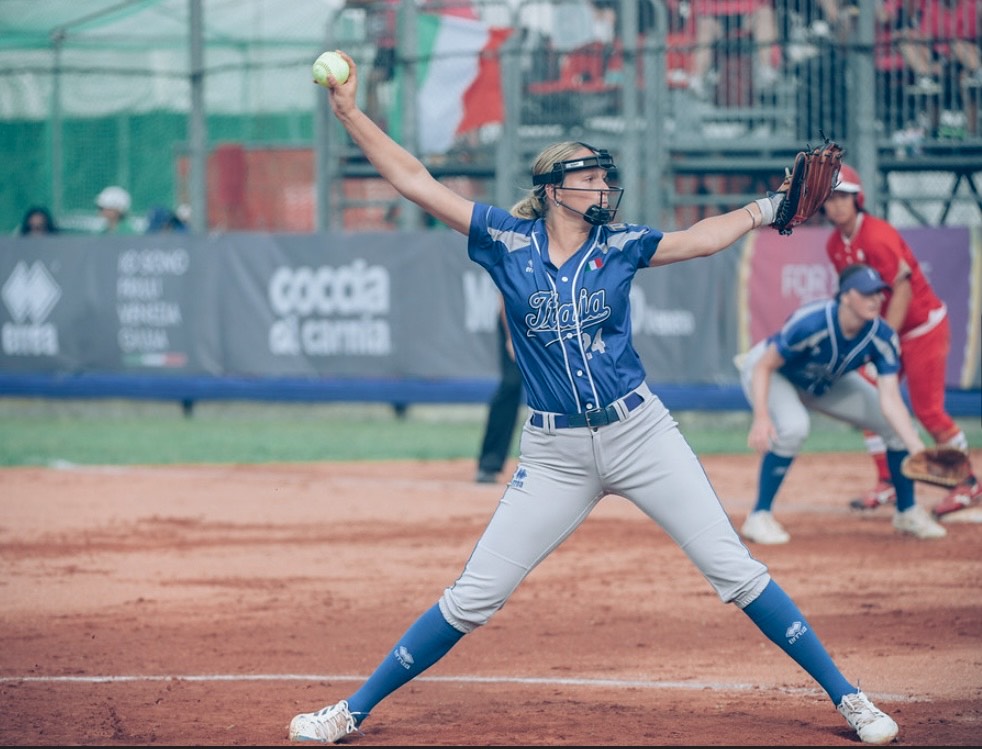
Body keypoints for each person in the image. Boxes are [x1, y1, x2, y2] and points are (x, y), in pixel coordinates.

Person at [288, 51, 900, 746]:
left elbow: (699, 239)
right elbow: (414, 180)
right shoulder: (504, 238)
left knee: (734, 569)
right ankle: (351, 710)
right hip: (555, 453)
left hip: (641, 435)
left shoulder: (622, 244)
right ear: (552, 188)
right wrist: (349, 113)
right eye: (589, 175)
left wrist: (766, 207)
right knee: (473, 596)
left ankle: (851, 698)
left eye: (606, 175)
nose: (604, 185)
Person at [736, 263, 947, 545]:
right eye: (867, 293)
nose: (876, 300)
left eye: (879, 294)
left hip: (824, 380)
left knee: (897, 427)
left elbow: (890, 398)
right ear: (845, 296)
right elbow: (765, 365)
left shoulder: (881, 337)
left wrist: (917, 447)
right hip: (774, 373)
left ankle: (907, 512)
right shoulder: (813, 322)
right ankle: (758, 516)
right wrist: (762, 416)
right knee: (794, 426)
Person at [823, 164, 981, 519]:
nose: (836, 205)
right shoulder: (836, 245)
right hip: (889, 333)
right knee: (869, 400)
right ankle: (889, 481)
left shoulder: (877, 236)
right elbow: (855, 300)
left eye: (843, 196)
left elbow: (903, 289)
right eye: (830, 197)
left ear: (858, 199)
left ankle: (967, 481)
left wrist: (883, 339)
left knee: (928, 411)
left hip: (922, 328)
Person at [474, 299, 523, 484]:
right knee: (510, 385)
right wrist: (511, 337)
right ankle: (489, 463)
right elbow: (505, 293)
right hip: (518, 319)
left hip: (557, 317)